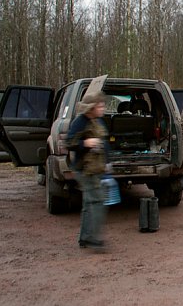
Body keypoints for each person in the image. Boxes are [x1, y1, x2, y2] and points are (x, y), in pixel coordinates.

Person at [66, 91, 111, 250]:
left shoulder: (98, 121)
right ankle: (93, 238)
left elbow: (105, 143)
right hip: (84, 169)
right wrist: (85, 143)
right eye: (100, 105)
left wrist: (108, 163)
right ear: (91, 108)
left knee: (88, 203)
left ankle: (85, 238)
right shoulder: (80, 122)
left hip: (96, 168)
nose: (103, 108)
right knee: (97, 201)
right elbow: (69, 143)